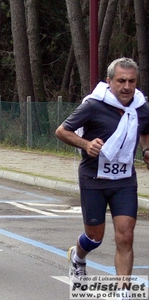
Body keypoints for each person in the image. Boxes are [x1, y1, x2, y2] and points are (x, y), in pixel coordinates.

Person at [55, 58, 149, 283]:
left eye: (131, 81)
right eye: (121, 81)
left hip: (124, 179)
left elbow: (145, 130)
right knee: (95, 237)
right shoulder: (94, 104)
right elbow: (62, 131)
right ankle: (78, 257)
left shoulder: (141, 107)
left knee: (125, 236)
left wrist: (146, 150)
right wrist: (86, 145)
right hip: (93, 178)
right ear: (109, 81)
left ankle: (123, 292)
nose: (127, 87)